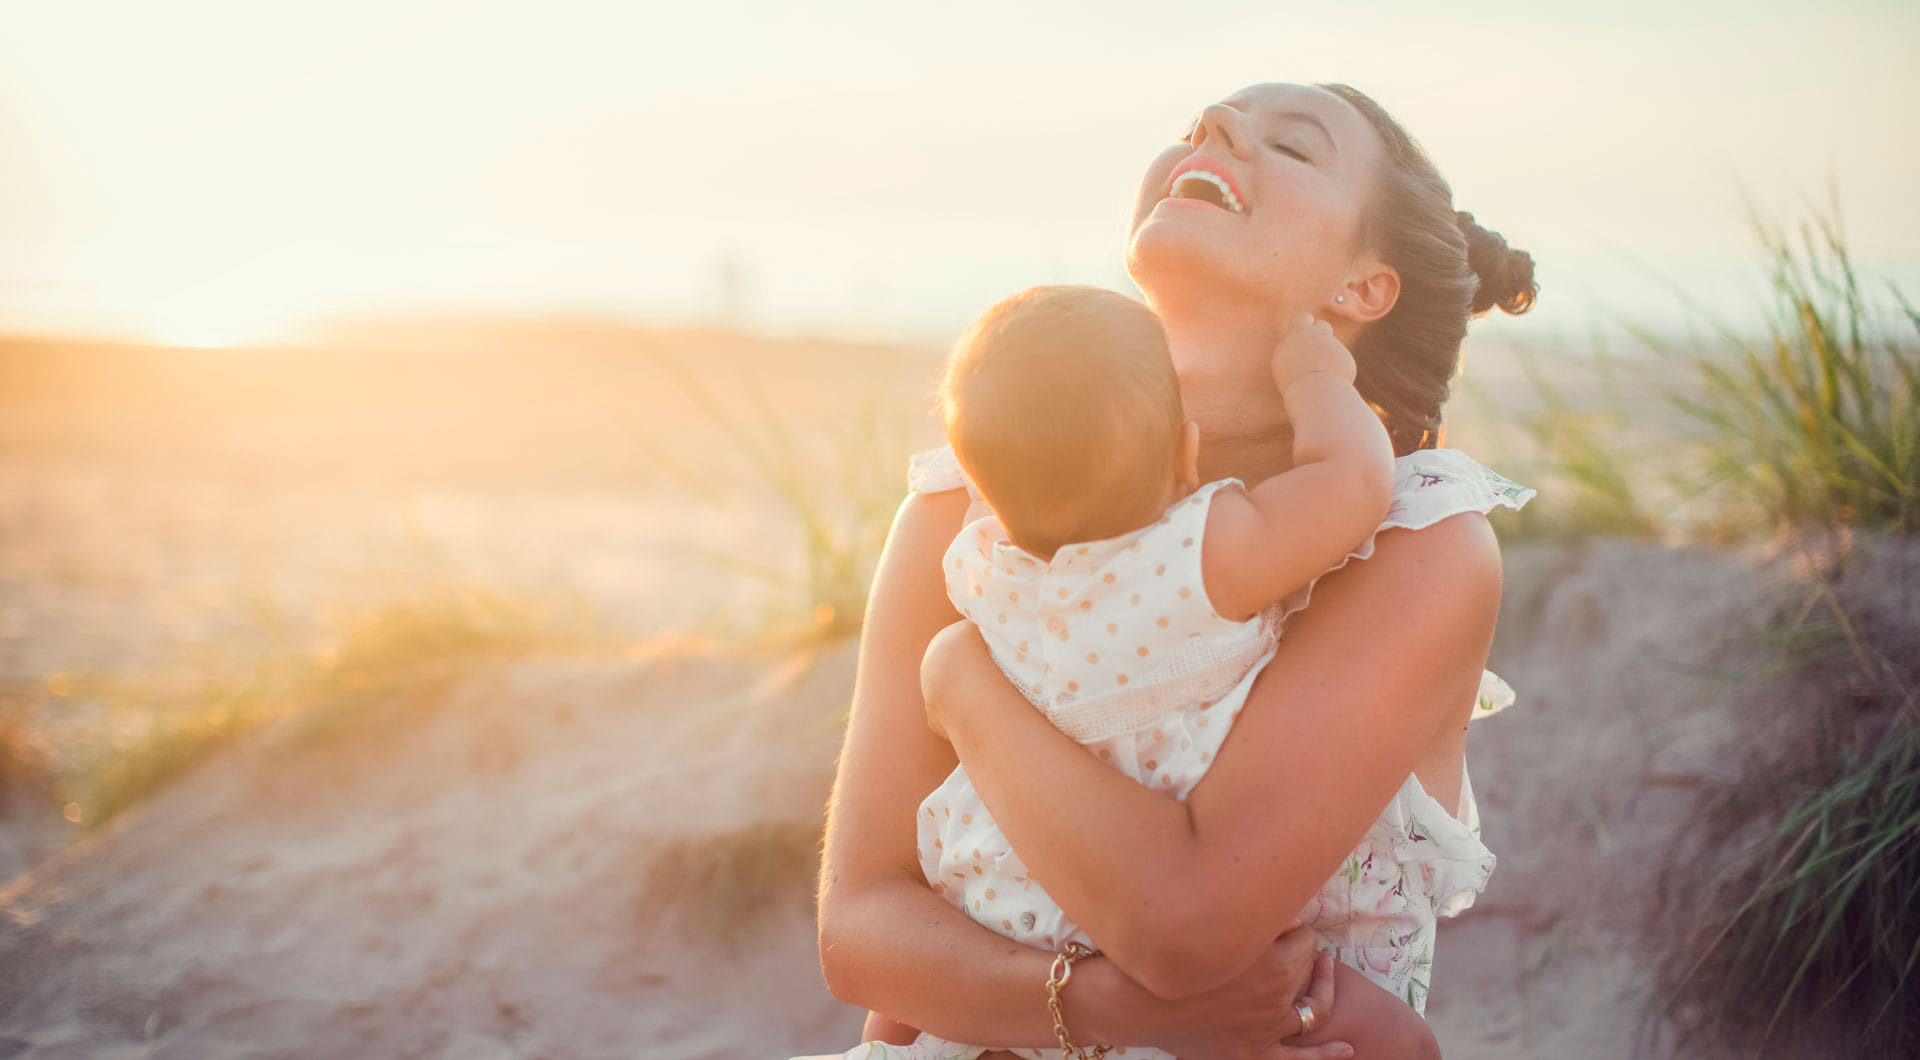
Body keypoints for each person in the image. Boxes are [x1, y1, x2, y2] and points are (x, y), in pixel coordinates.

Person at [814, 82, 1538, 1060]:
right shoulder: (963, 512)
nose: (1215, 129)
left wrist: (962, 681)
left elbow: (1184, 922)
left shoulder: (1418, 548)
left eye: (1292, 145)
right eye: (1201, 128)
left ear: (1363, 287)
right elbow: (860, 934)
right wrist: (1112, 1012)